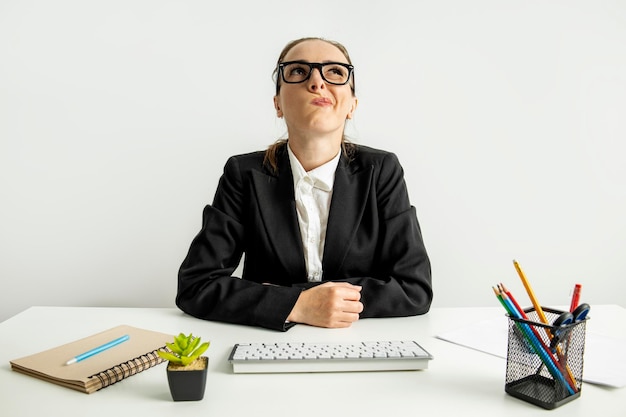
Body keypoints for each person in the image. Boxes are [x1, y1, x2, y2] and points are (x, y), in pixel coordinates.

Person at [176, 37, 432, 331]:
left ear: (352, 104)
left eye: (334, 72)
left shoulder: (382, 171)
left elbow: (415, 290)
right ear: (278, 104)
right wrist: (299, 306)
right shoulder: (242, 174)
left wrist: (295, 297)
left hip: (358, 342)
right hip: (268, 344)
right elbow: (195, 286)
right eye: (298, 71)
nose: (317, 82)